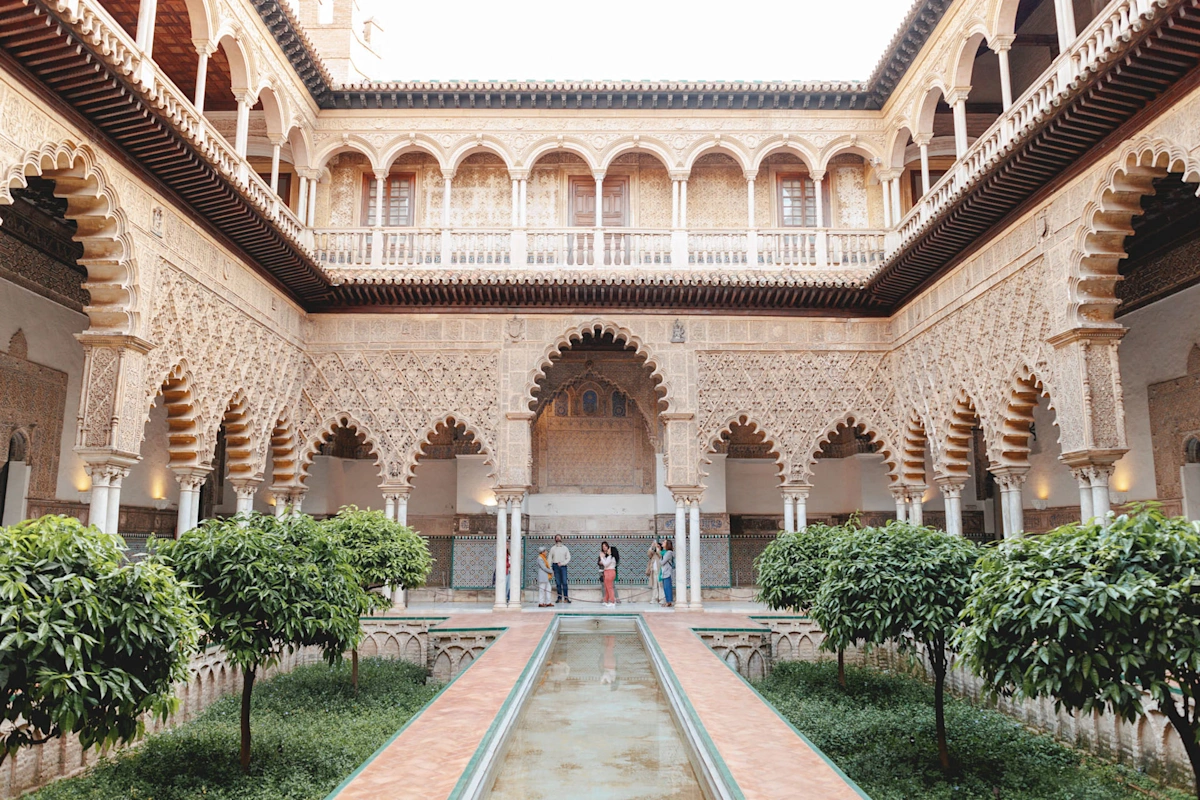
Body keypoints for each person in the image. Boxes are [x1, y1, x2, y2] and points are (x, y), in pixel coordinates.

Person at [548, 534, 571, 604]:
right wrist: (550, 568)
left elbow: (568, 558)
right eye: (556, 538)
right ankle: (559, 598)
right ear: (555, 540)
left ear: (561, 539)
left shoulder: (565, 548)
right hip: (555, 566)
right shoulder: (552, 549)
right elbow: (549, 559)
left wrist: (563, 563)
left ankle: (566, 598)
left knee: (564, 582)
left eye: (559, 537)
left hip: (563, 566)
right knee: (558, 583)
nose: (558, 539)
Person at [599, 541, 617, 608]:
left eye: (609, 549)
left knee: (609, 587)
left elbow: (605, 564)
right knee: (607, 587)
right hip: (608, 572)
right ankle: (605, 600)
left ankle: (612, 601)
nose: (608, 549)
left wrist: (601, 557)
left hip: (610, 572)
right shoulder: (609, 557)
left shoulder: (611, 557)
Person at [646, 540, 662, 604]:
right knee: (654, 585)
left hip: (660, 571)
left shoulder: (661, 552)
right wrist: (652, 547)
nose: (656, 547)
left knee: (660, 585)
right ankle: (654, 598)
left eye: (658, 546)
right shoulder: (654, 554)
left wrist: (657, 548)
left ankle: (661, 598)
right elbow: (649, 554)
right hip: (654, 571)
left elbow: (660, 555)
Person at [660, 540, 675, 607]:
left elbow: (662, 562)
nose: (662, 543)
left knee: (667, 587)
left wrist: (659, 556)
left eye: (664, 542)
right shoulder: (666, 553)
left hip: (667, 573)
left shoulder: (669, 553)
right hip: (665, 572)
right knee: (665, 588)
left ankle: (669, 602)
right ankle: (668, 602)